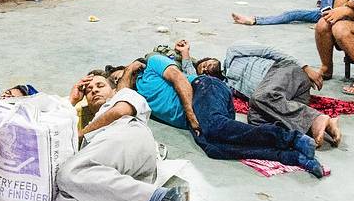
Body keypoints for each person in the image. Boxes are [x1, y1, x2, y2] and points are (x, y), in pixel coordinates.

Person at [54, 70, 193, 201]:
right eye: (88, 90)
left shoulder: (124, 95)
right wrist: (72, 100)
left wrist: (82, 134)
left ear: (113, 89)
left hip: (129, 136)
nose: (94, 90)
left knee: (68, 173)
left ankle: (163, 197)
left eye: (100, 85)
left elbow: (121, 112)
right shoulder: (92, 123)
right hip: (117, 176)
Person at [130, 50, 324, 178]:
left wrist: (189, 112)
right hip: (200, 113)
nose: (119, 81)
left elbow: (179, 78)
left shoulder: (152, 64)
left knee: (215, 126)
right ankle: (293, 156)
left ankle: (291, 138)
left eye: (118, 76)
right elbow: (119, 95)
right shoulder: (134, 97)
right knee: (214, 148)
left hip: (203, 89)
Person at [212, 43, 341, 147]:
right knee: (255, 118)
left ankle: (317, 119)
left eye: (204, 63)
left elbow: (270, 51)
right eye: (203, 70)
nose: (205, 67)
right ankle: (325, 126)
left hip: (286, 72)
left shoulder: (233, 52)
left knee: (259, 97)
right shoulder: (227, 85)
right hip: (287, 99)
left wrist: (305, 67)